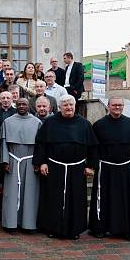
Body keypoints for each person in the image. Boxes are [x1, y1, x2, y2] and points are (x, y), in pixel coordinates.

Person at [33, 94, 98, 239]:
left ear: (75, 106)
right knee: (53, 198)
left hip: (77, 168)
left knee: (75, 199)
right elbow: (41, 144)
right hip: (54, 167)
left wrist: (91, 166)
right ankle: (52, 228)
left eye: (71, 105)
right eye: (65, 105)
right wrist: (42, 162)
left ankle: (74, 230)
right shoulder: (50, 123)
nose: (69, 107)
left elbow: (93, 147)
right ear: (60, 107)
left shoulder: (84, 124)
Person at [88, 97, 130, 241]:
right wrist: (93, 165)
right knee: (104, 198)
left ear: (123, 106)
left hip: (125, 167)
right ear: (108, 106)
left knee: (126, 199)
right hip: (105, 168)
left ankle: (127, 229)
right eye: (114, 105)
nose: (117, 107)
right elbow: (93, 148)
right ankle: (100, 228)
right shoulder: (99, 125)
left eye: (120, 105)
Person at [1, 98, 42, 233]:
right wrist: (5, 161)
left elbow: (40, 146)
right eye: (19, 104)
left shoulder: (37, 122)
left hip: (30, 161)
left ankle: (28, 225)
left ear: (29, 106)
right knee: (11, 194)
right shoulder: (8, 122)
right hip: (13, 161)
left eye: (24, 104)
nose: (21, 106)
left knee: (30, 193)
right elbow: (4, 143)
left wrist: (37, 162)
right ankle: (10, 224)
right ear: (16, 106)